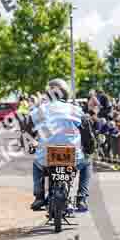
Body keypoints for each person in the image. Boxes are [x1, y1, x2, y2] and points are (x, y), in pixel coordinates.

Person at [29, 79, 94, 213]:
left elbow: (28, 130)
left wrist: (29, 143)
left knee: (36, 164)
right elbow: (87, 134)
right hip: (72, 156)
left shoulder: (40, 110)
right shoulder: (75, 110)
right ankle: (81, 198)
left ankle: (39, 197)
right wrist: (89, 149)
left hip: (46, 156)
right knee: (87, 162)